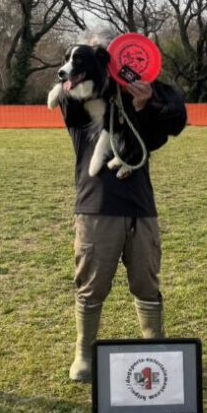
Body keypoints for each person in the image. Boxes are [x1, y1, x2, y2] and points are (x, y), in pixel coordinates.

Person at [51, 54, 187, 382]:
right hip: (96, 207)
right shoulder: (79, 101)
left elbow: (167, 126)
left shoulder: (136, 99)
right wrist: (92, 64)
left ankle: (155, 346)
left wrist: (145, 102)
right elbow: (70, 91)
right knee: (91, 284)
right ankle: (84, 352)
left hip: (141, 207)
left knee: (146, 282)